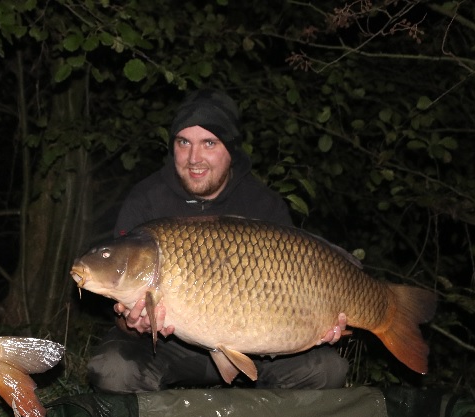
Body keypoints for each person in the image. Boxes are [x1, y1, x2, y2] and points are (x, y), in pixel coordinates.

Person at [88, 89, 349, 393]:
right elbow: (120, 315)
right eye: (183, 142)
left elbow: (299, 286)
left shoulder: (264, 205)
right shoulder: (146, 200)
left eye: (209, 143)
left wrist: (321, 324)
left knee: (328, 371)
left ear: (232, 149)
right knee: (112, 370)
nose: (193, 158)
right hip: (169, 348)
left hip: (256, 345)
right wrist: (134, 324)